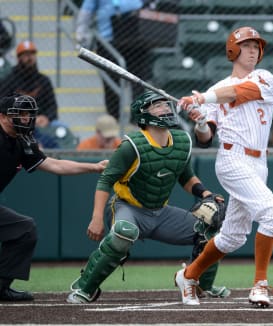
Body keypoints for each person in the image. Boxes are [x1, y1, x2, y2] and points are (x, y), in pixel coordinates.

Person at [66, 90, 229, 304]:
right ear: (144, 115)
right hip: (128, 207)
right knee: (124, 233)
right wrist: (96, 217)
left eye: (165, 103)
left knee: (211, 229)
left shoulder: (181, 140)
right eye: (157, 105)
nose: (165, 107)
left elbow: (186, 177)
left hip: (160, 212)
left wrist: (206, 193)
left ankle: (202, 285)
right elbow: (105, 180)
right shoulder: (130, 145)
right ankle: (84, 288)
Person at [175, 26, 273, 307]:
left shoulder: (264, 78)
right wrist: (200, 120)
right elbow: (205, 138)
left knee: (233, 236)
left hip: (259, 162)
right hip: (232, 159)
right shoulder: (215, 90)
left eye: (256, 46)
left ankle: (188, 275)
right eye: (246, 45)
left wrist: (200, 99)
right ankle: (260, 285)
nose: (253, 50)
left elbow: (238, 92)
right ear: (232, 50)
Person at [0, 94, 108, 302]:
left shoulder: (22, 142)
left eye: (27, 114)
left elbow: (55, 165)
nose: (25, 119)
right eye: (19, 114)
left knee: (24, 229)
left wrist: (94, 167)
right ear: (3, 117)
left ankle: (1, 286)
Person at [75, 0, 148, 120]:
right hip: (108, 41)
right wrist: (81, 35)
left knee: (138, 81)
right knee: (111, 81)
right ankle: (114, 117)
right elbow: (86, 12)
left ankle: (137, 116)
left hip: (137, 40)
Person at [0, 40, 66, 148]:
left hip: (41, 123)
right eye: (25, 55)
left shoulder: (43, 80)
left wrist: (46, 117)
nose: (29, 58)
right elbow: (2, 105)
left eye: (32, 54)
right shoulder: (9, 80)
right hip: (17, 122)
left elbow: (53, 107)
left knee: (61, 127)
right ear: (19, 58)